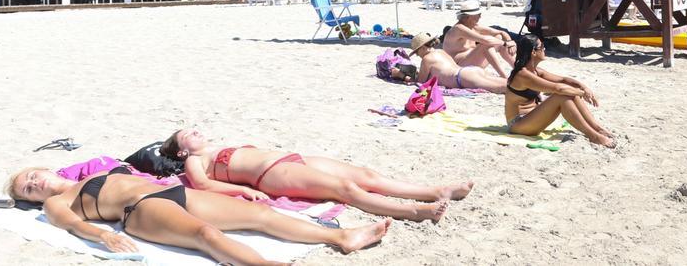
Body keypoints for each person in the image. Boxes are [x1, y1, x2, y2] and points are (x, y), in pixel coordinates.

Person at [5, 165, 389, 264]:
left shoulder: (90, 172)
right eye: (27, 187)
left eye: (33, 175)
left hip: (173, 193)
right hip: (139, 210)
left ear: (49, 169)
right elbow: (72, 225)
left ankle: (342, 236)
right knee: (206, 236)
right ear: (30, 199)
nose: (34, 183)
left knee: (261, 216)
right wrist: (103, 236)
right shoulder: (56, 204)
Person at [161, 128, 472, 222]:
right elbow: (201, 185)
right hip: (271, 174)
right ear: (180, 152)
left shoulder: (214, 146)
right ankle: (416, 211)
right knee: (346, 188)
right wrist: (244, 192)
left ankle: (434, 191)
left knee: (366, 175)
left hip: (293, 159)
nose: (196, 131)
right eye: (187, 134)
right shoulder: (195, 161)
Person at [505, 35, 615, 148]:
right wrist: (582, 93)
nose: (544, 49)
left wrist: (584, 87)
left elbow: (563, 80)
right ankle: (593, 136)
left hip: (531, 118)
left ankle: (598, 129)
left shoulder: (536, 71)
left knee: (570, 94)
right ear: (533, 52)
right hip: (518, 125)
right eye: (542, 46)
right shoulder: (523, 75)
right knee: (562, 96)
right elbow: (558, 88)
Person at [411, 32, 507, 93]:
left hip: (461, 78)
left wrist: (405, 77)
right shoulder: (441, 52)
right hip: (469, 70)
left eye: (417, 52)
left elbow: (421, 81)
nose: (417, 55)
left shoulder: (427, 59)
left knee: (501, 88)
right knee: (507, 83)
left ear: (422, 48)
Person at [442, 2, 516, 78]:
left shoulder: (473, 27)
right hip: (458, 67)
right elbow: (485, 40)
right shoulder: (458, 28)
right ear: (469, 17)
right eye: (478, 14)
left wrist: (510, 42)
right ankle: (504, 77)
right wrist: (505, 43)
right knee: (486, 45)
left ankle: (517, 69)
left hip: (472, 62)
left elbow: (501, 32)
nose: (480, 16)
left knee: (498, 37)